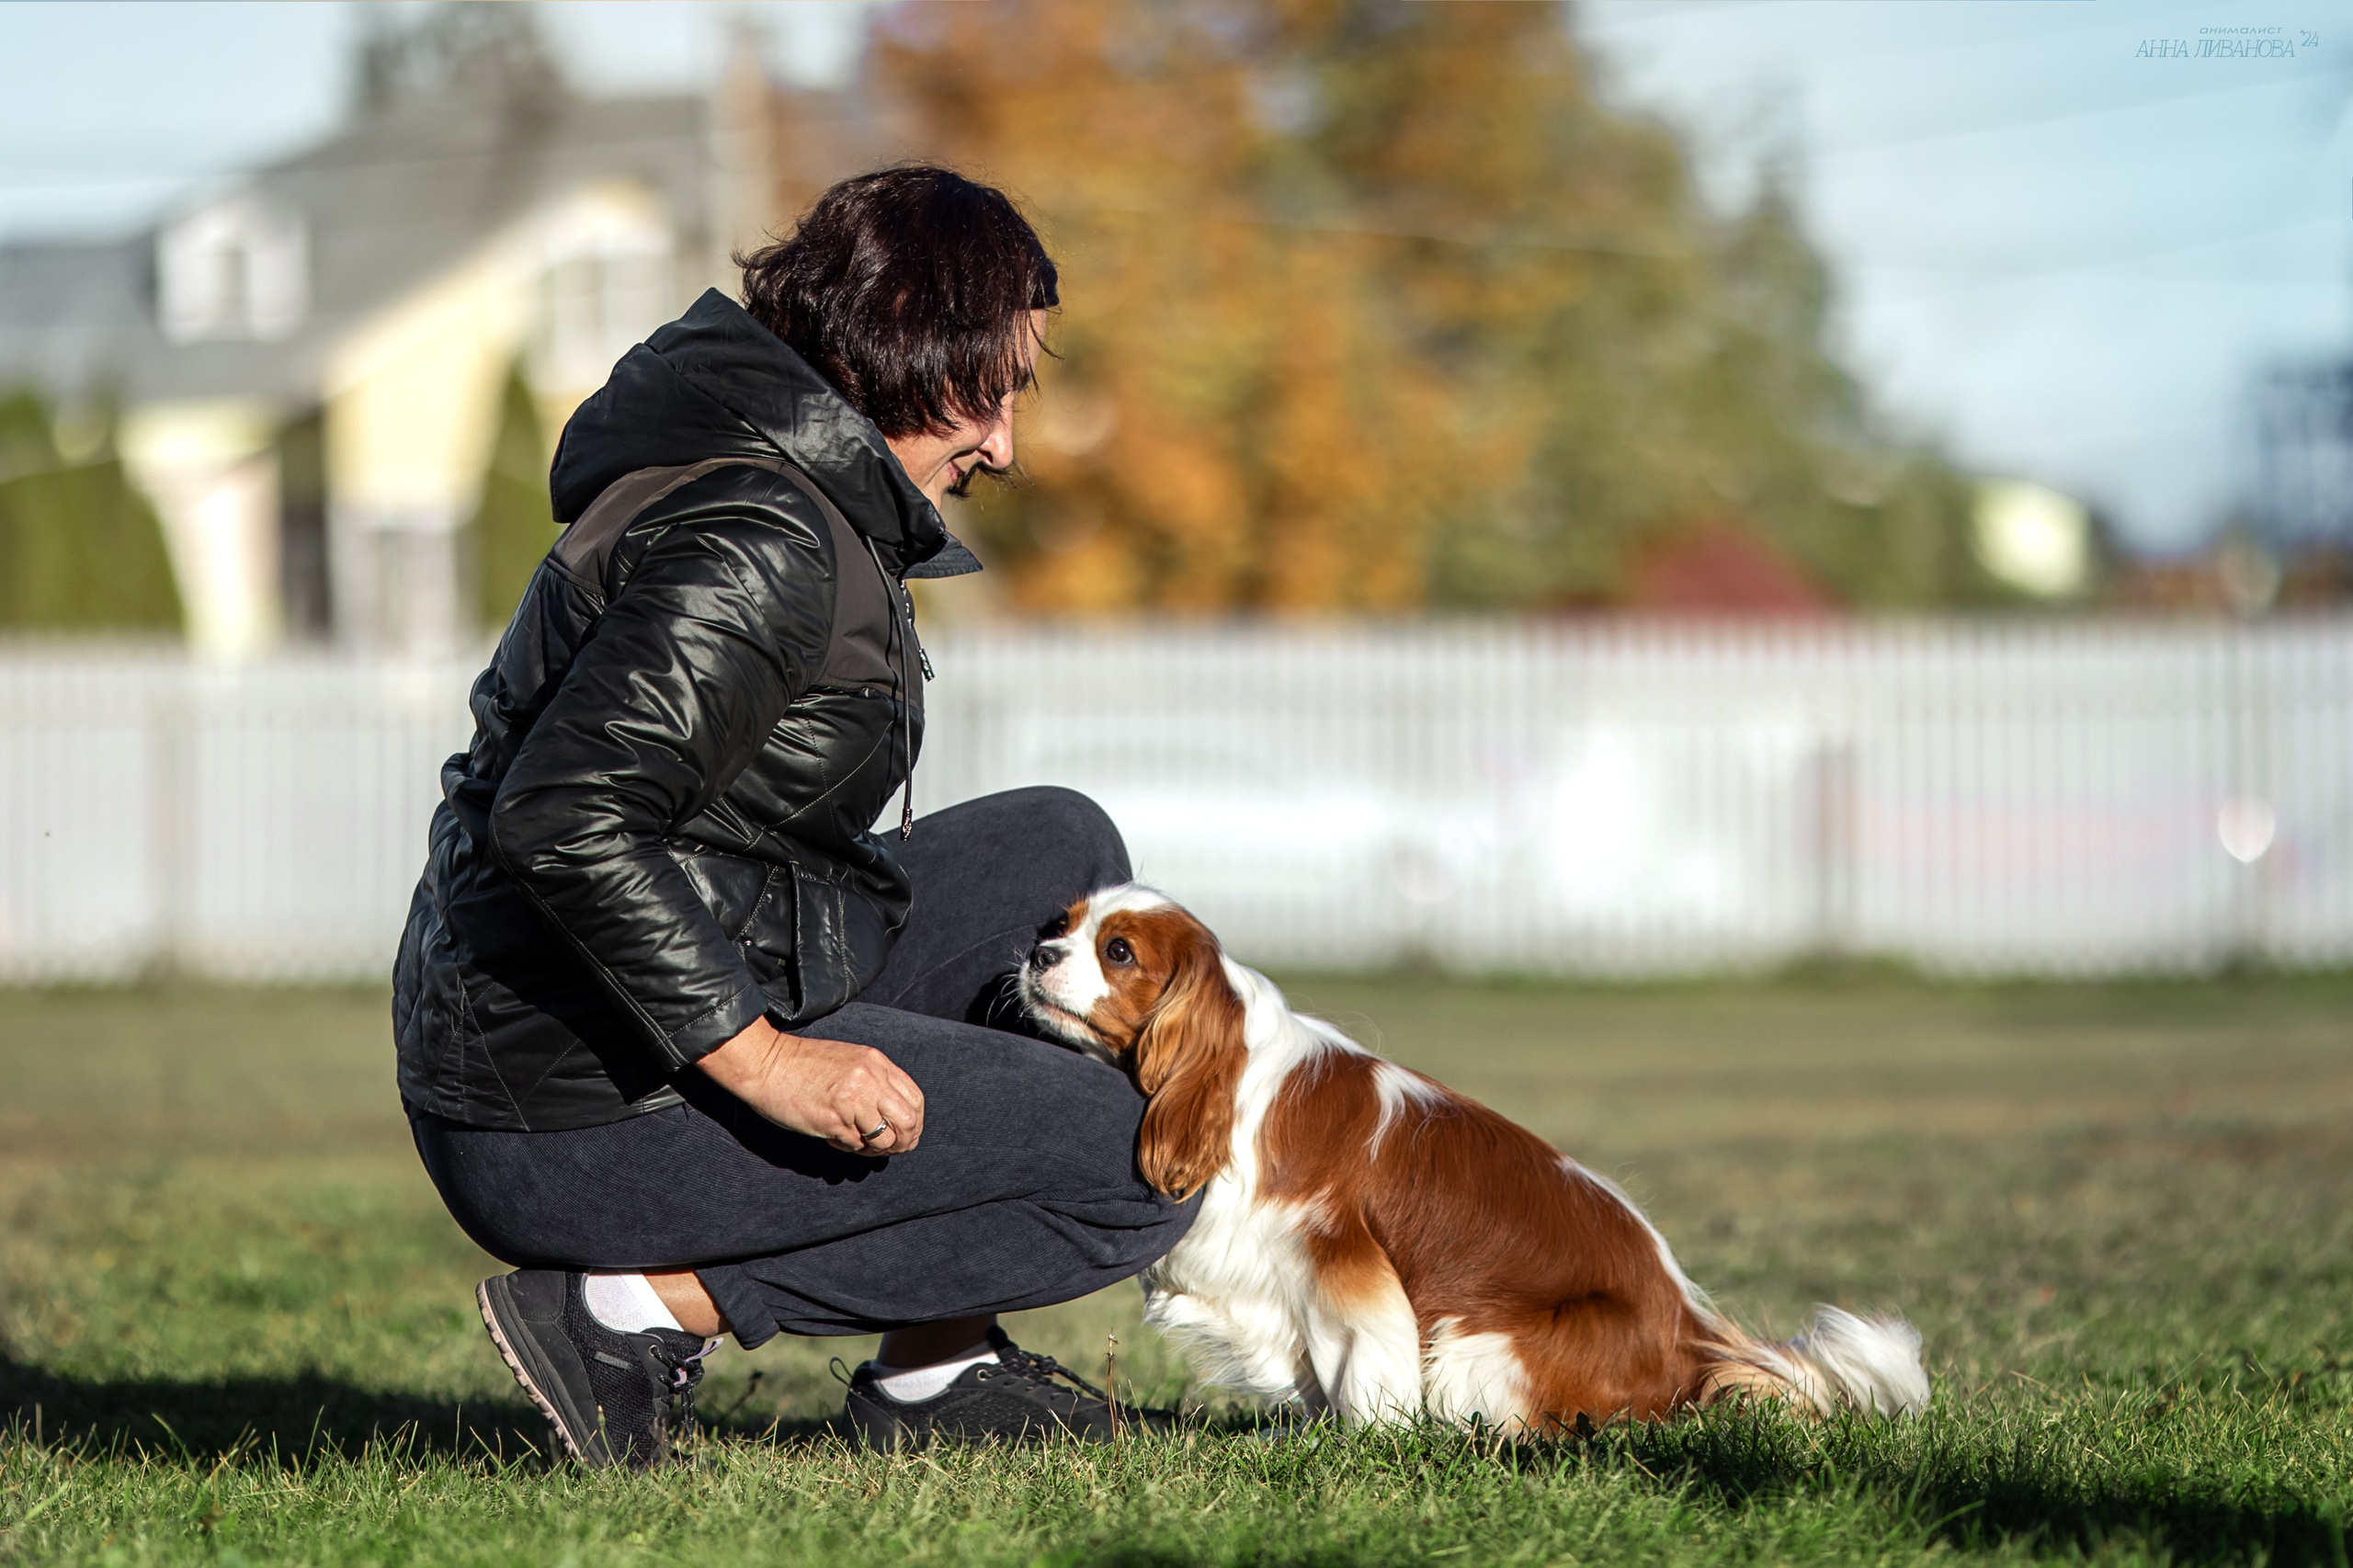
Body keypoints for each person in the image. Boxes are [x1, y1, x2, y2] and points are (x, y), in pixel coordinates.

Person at [392, 166, 1195, 1466]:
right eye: (990, 390)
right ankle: (629, 1314)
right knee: (1135, 1161)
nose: (1006, 443)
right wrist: (768, 1061)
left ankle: (942, 1365)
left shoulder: (783, 476)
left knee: (1063, 851)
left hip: (591, 1022)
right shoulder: (766, 535)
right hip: (562, 1106)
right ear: (903, 349)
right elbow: (566, 817)